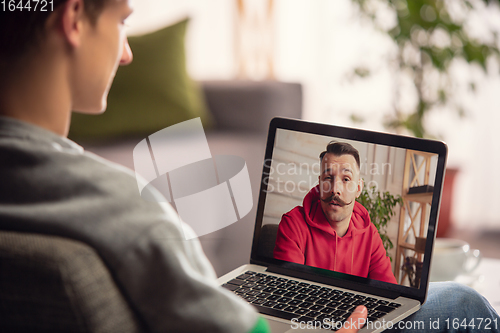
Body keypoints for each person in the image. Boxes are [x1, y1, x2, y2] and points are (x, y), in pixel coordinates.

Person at [0, 1, 498, 332]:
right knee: (464, 304)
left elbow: (382, 282)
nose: (127, 52)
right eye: (123, 20)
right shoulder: (129, 214)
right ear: (72, 19)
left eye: (346, 178)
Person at [274, 142, 397, 284]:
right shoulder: (293, 223)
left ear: (358, 188)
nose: (335, 189)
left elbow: (387, 292)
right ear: (320, 184)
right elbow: (288, 291)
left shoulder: (371, 235)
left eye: (346, 179)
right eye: (328, 178)